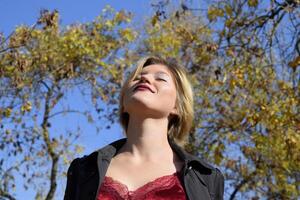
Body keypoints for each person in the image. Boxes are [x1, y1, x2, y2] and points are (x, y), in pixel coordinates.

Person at [64, 56, 224, 200]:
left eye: (160, 79)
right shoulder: (82, 170)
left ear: (177, 106)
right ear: (124, 103)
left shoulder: (206, 179)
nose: (145, 78)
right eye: (137, 78)